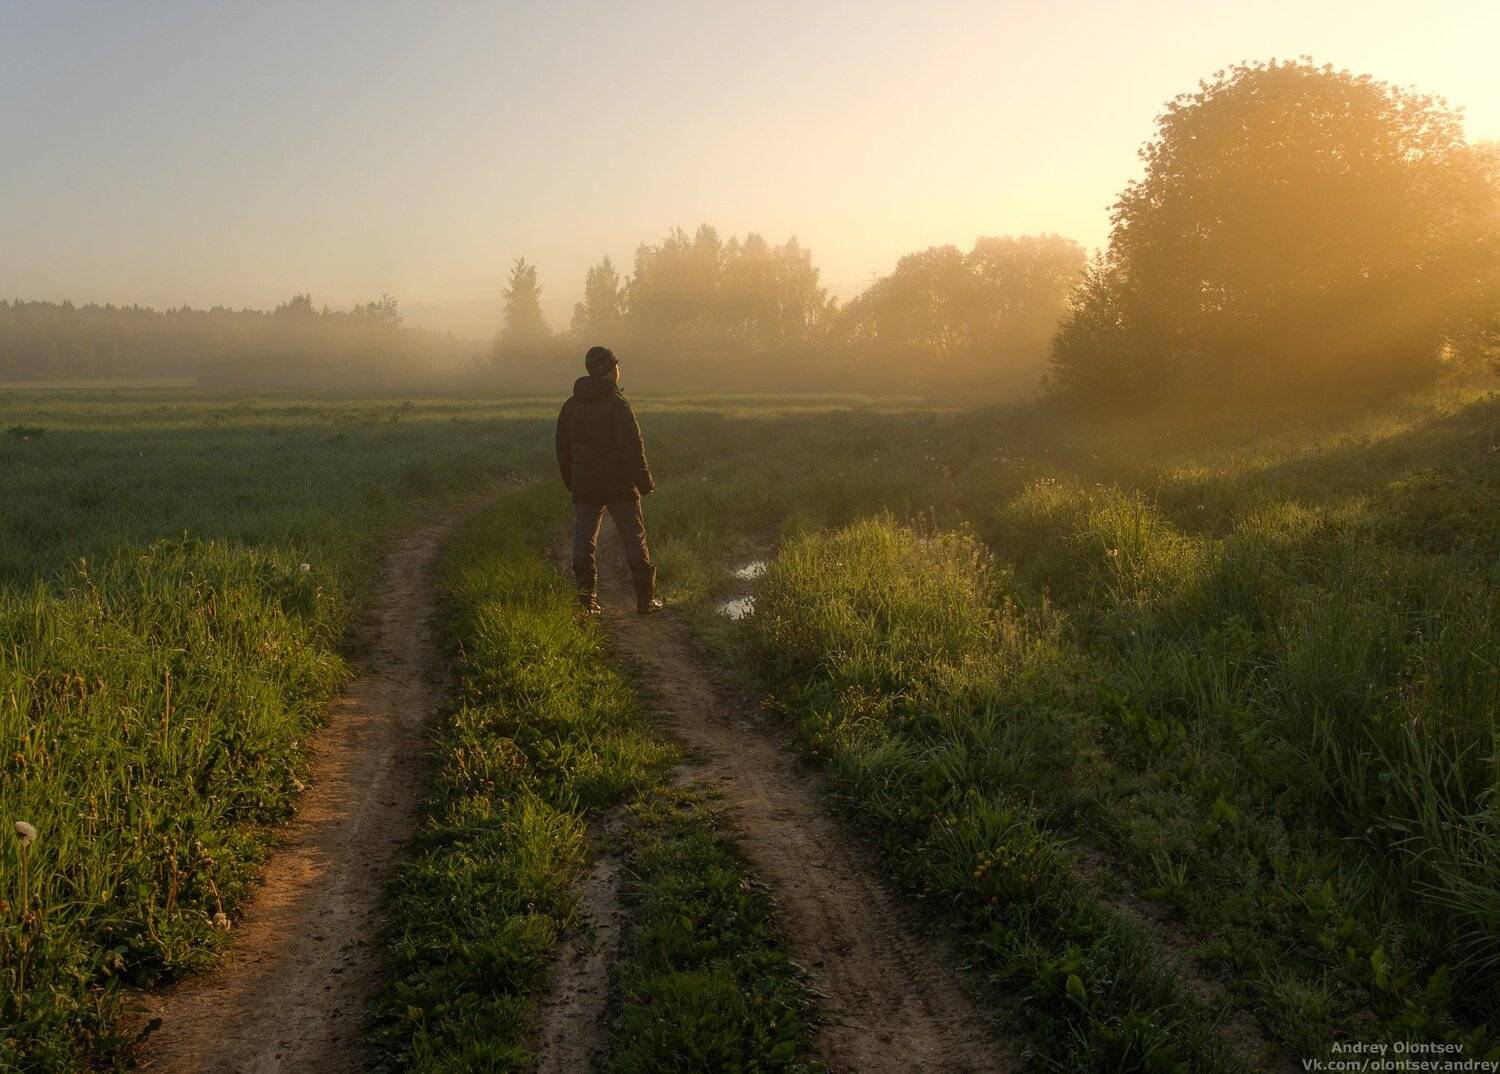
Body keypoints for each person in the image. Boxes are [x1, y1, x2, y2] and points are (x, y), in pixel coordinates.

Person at [555, 345, 662, 615]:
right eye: (616, 365)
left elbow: (562, 449)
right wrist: (645, 482)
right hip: (619, 484)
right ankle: (646, 601)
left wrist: (573, 481)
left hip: (585, 485)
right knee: (634, 539)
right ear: (610, 370)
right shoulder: (618, 404)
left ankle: (587, 602)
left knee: (583, 542)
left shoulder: (571, 406)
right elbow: (633, 448)